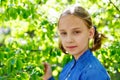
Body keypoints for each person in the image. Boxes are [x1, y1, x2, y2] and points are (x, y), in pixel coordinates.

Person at [42, 5, 110, 80]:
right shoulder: (69, 66)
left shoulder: (93, 73)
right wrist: (48, 78)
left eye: (76, 32)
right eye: (64, 33)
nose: (69, 40)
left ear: (90, 33)